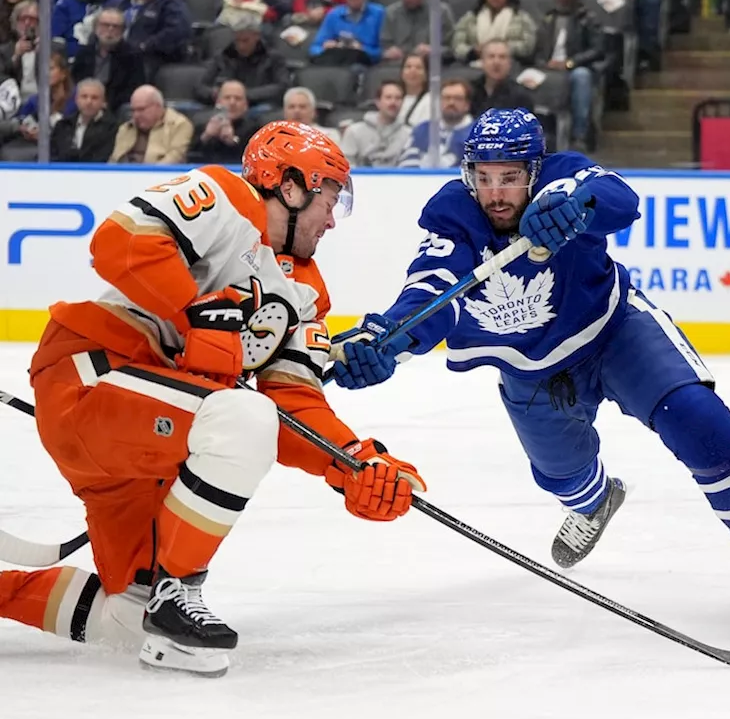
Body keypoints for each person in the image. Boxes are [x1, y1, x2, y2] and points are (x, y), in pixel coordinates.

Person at [329, 109, 730, 610]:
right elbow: (433, 288)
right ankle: (595, 503)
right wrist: (389, 336)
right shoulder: (452, 216)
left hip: (615, 332)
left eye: (509, 178)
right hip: (529, 367)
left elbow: (619, 199)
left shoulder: (563, 179)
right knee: (565, 475)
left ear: (535, 171)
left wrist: (575, 203)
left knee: (699, 419)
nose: (495, 194)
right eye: (483, 178)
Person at [0, 122, 424, 677]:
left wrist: (352, 462)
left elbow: (294, 402)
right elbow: (117, 244)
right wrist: (194, 310)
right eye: (328, 198)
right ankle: (179, 592)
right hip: (93, 377)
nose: (331, 219)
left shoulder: (306, 294)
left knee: (129, 620)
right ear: (290, 185)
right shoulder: (226, 196)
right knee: (244, 416)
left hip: (154, 441)